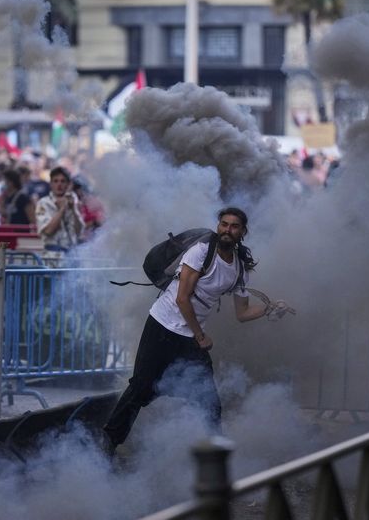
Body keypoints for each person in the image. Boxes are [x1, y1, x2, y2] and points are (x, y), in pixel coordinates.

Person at [102, 207, 274, 454]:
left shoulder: (239, 268)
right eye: (223, 224)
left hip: (190, 335)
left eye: (234, 226)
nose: (227, 230)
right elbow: (182, 299)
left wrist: (269, 308)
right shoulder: (201, 252)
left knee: (209, 400)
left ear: (243, 231)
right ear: (218, 226)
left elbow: (242, 313)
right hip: (162, 325)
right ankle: (109, 442)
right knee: (140, 387)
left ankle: (218, 455)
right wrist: (201, 336)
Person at [35, 166, 84, 252]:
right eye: (55, 181)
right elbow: (48, 231)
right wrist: (62, 209)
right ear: (51, 184)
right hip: (52, 255)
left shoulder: (73, 200)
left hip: (72, 253)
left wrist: (73, 209)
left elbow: (79, 231)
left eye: (63, 181)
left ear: (68, 184)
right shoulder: (43, 203)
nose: (59, 185)